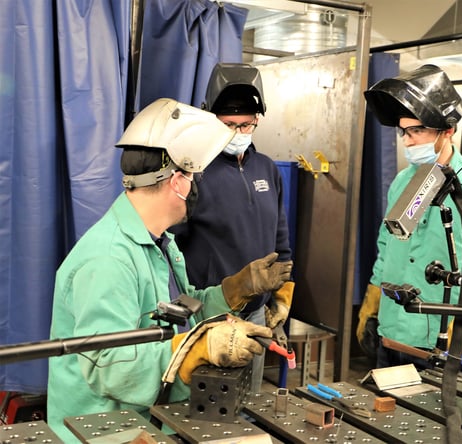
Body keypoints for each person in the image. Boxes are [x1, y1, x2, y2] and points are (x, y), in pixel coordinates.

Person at [47, 98, 292, 442]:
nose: (195, 186)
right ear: (177, 181)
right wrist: (197, 350)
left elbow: (180, 312)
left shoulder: (158, 242)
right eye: (193, 176)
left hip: (146, 422)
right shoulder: (108, 259)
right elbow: (109, 366)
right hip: (105, 432)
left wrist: (233, 291)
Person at [356, 64, 462, 370]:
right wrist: (373, 305)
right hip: (393, 333)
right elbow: (388, 250)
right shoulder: (402, 182)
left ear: (448, 131)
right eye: (404, 131)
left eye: (417, 130)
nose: (407, 141)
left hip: (443, 343)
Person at [174, 63, 294, 392]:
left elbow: (280, 237)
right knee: (204, 412)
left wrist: (280, 297)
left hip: (256, 316)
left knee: (248, 404)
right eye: (229, 125)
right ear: (210, 119)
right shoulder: (193, 173)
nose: (238, 133)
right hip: (210, 316)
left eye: (246, 125)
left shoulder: (267, 169)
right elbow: (171, 251)